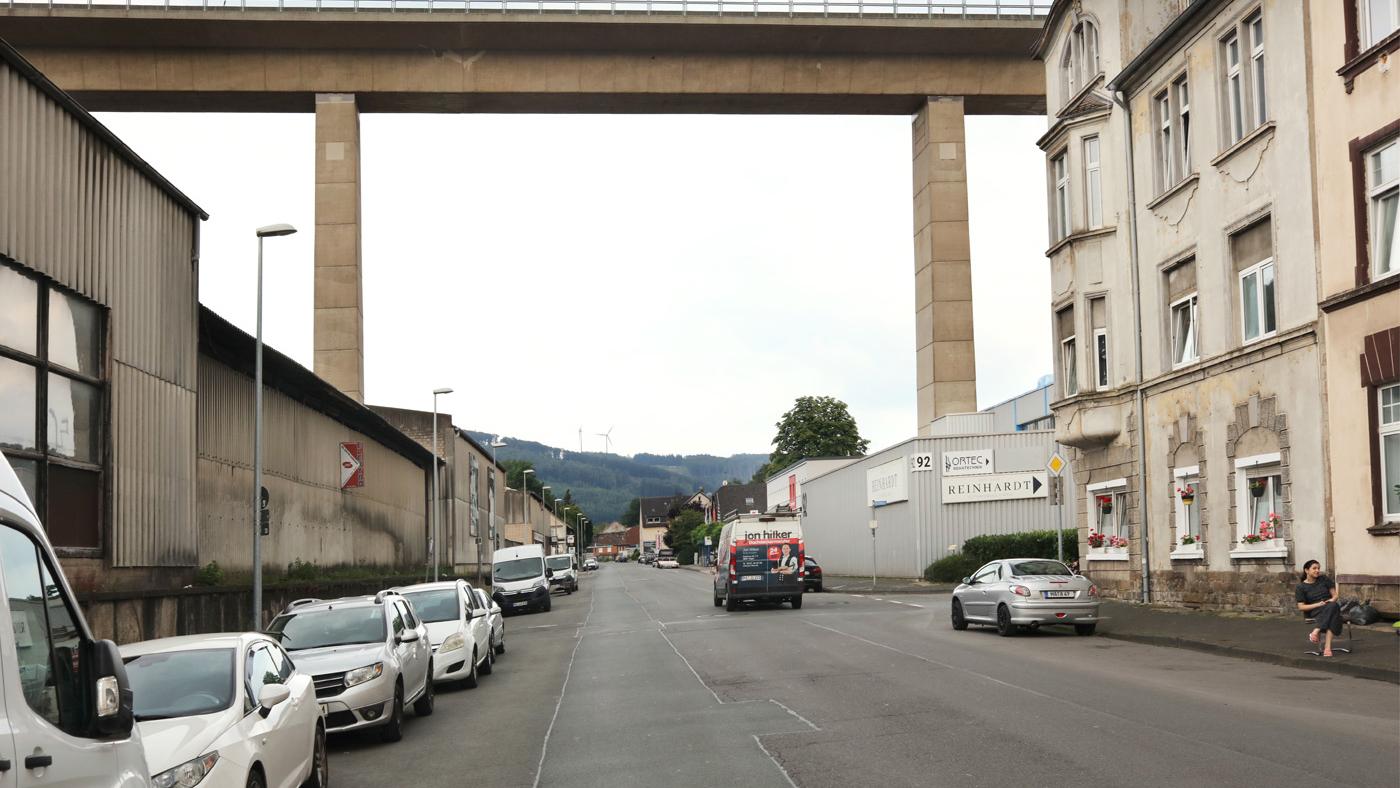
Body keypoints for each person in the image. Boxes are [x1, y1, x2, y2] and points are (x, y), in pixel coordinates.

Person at [1295, 559, 1341, 657]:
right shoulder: (1300, 587)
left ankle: (1316, 632)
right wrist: (1317, 605)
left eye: (1318, 568)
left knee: (1333, 606)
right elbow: (1301, 607)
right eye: (1314, 568)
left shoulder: (1324, 579)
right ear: (1306, 570)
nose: (1317, 570)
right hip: (1314, 610)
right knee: (1334, 610)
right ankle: (1327, 648)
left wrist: (1332, 600)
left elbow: (1335, 596)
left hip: (1328, 606)